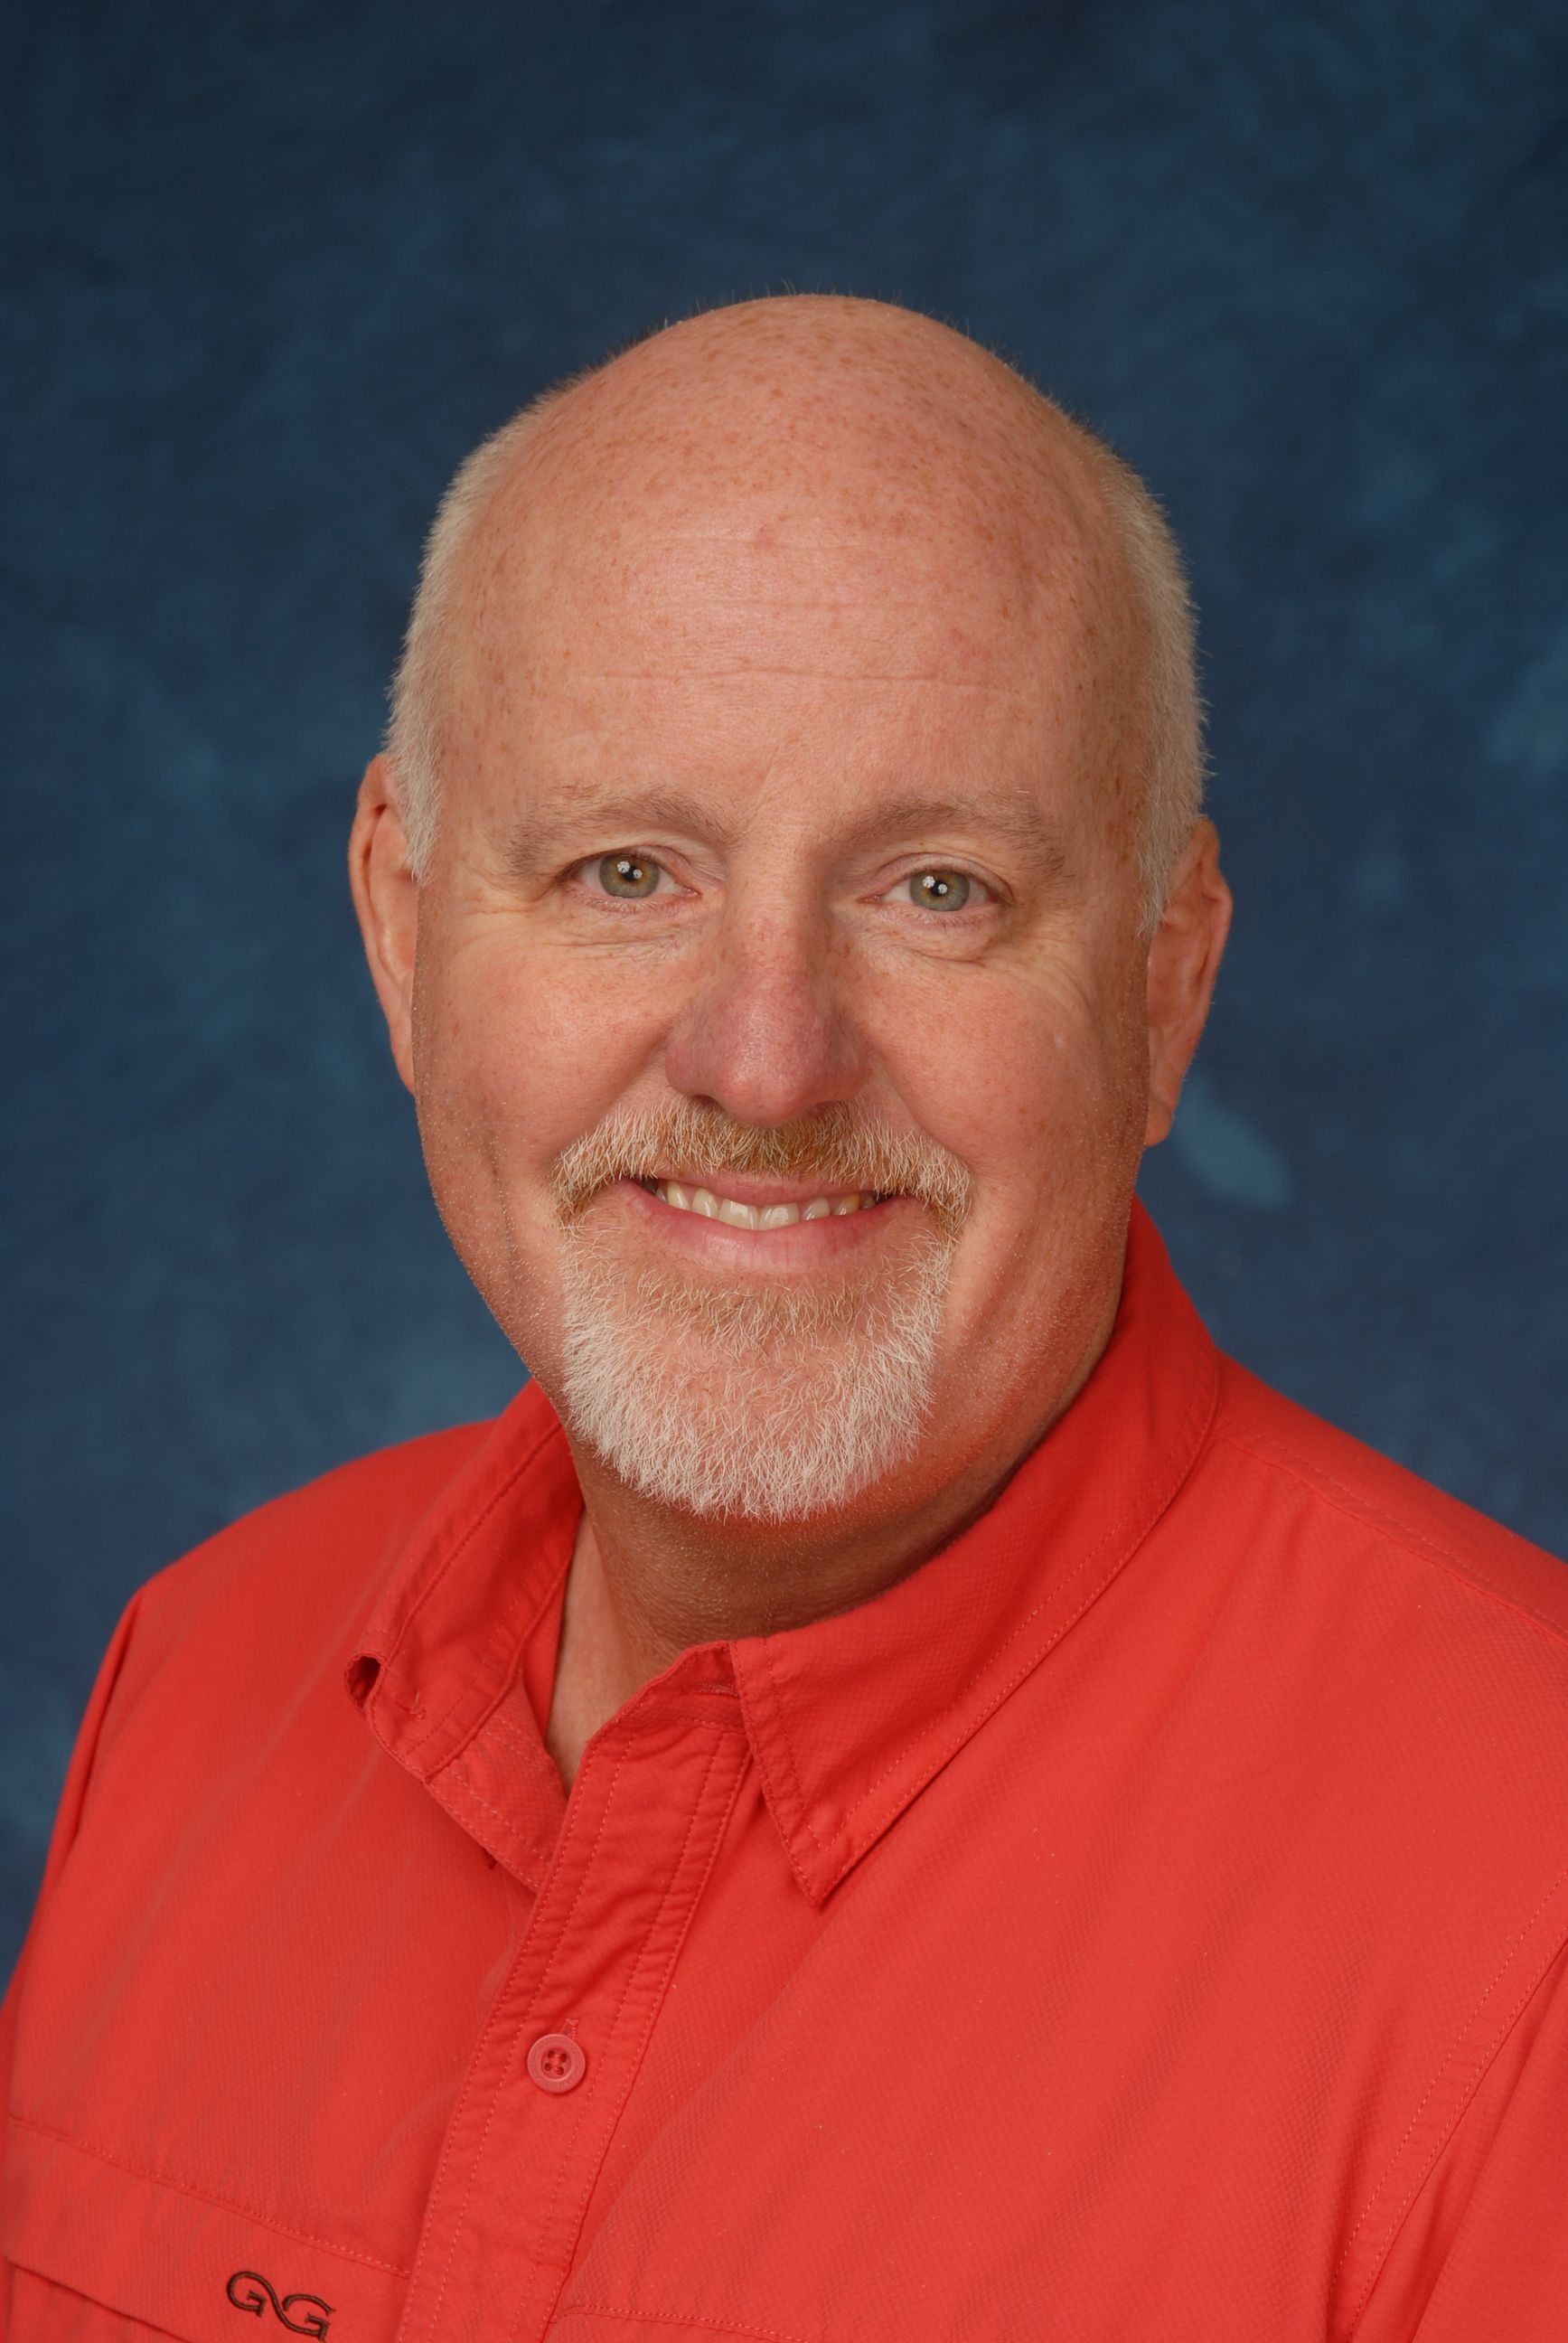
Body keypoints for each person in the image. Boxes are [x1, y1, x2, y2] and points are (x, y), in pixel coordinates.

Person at [2, 295, 1564, 2343]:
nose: (763, 1058)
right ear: (400, 925)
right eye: (623, 871)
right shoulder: (199, 1670)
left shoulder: (1524, 1906)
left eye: (938, 890)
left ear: (1164, 986)